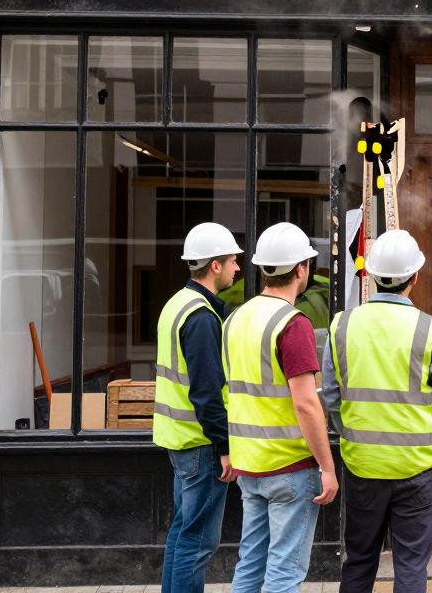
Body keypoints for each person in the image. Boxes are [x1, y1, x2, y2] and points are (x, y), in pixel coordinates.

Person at [323, 229, 432, 593]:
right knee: (411, 566)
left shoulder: (342, 325)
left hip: (362, 465)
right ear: (414, 277)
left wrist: (351, 431)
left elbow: (330, 397)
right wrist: (431, 432)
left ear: (368, 274)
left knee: (359, 561)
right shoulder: (430, 329)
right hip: (417, 466)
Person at [225, 222, 339, 593]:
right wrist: (326, 465)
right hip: (289, 466)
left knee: (250, 566)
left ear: (261, 269)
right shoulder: (292, 324)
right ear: (302, 268)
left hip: (249, 464)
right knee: (284, 575)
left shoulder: (235, 319)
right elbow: (306, 403)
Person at [154, 222, 243, 593]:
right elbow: (207, 393)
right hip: (201, 444)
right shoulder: (202, 318)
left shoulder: (177, 304)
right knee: (198, 542)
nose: (238, 267)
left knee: (182, 534)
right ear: (215, 266)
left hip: (180, 441)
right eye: (233, 260)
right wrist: (224, 447)